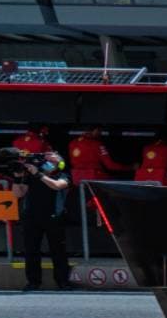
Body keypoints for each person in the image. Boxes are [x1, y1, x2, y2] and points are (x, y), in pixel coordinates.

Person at [15, 150, 72, 291]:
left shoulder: (64, 175)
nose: (48, 163)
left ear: (60, 163)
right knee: (31, 250)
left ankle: (63, 282)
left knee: (58, 250)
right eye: (47, 161)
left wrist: (38, 174)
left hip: (54, 217)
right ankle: (33, 282)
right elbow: (18, 193)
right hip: (32, 217)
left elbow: (57, 185)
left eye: (52, 161)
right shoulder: (32, 175)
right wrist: (17, 178)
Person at [67, 125, 132, 184]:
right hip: (93, 177)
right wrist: (130, 167)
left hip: (76, 177)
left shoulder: (72, 143)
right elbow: (110, 165)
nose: (100, 133)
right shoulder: (97, 144)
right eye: (99, 130)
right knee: (119, 182)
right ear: (95, 130)